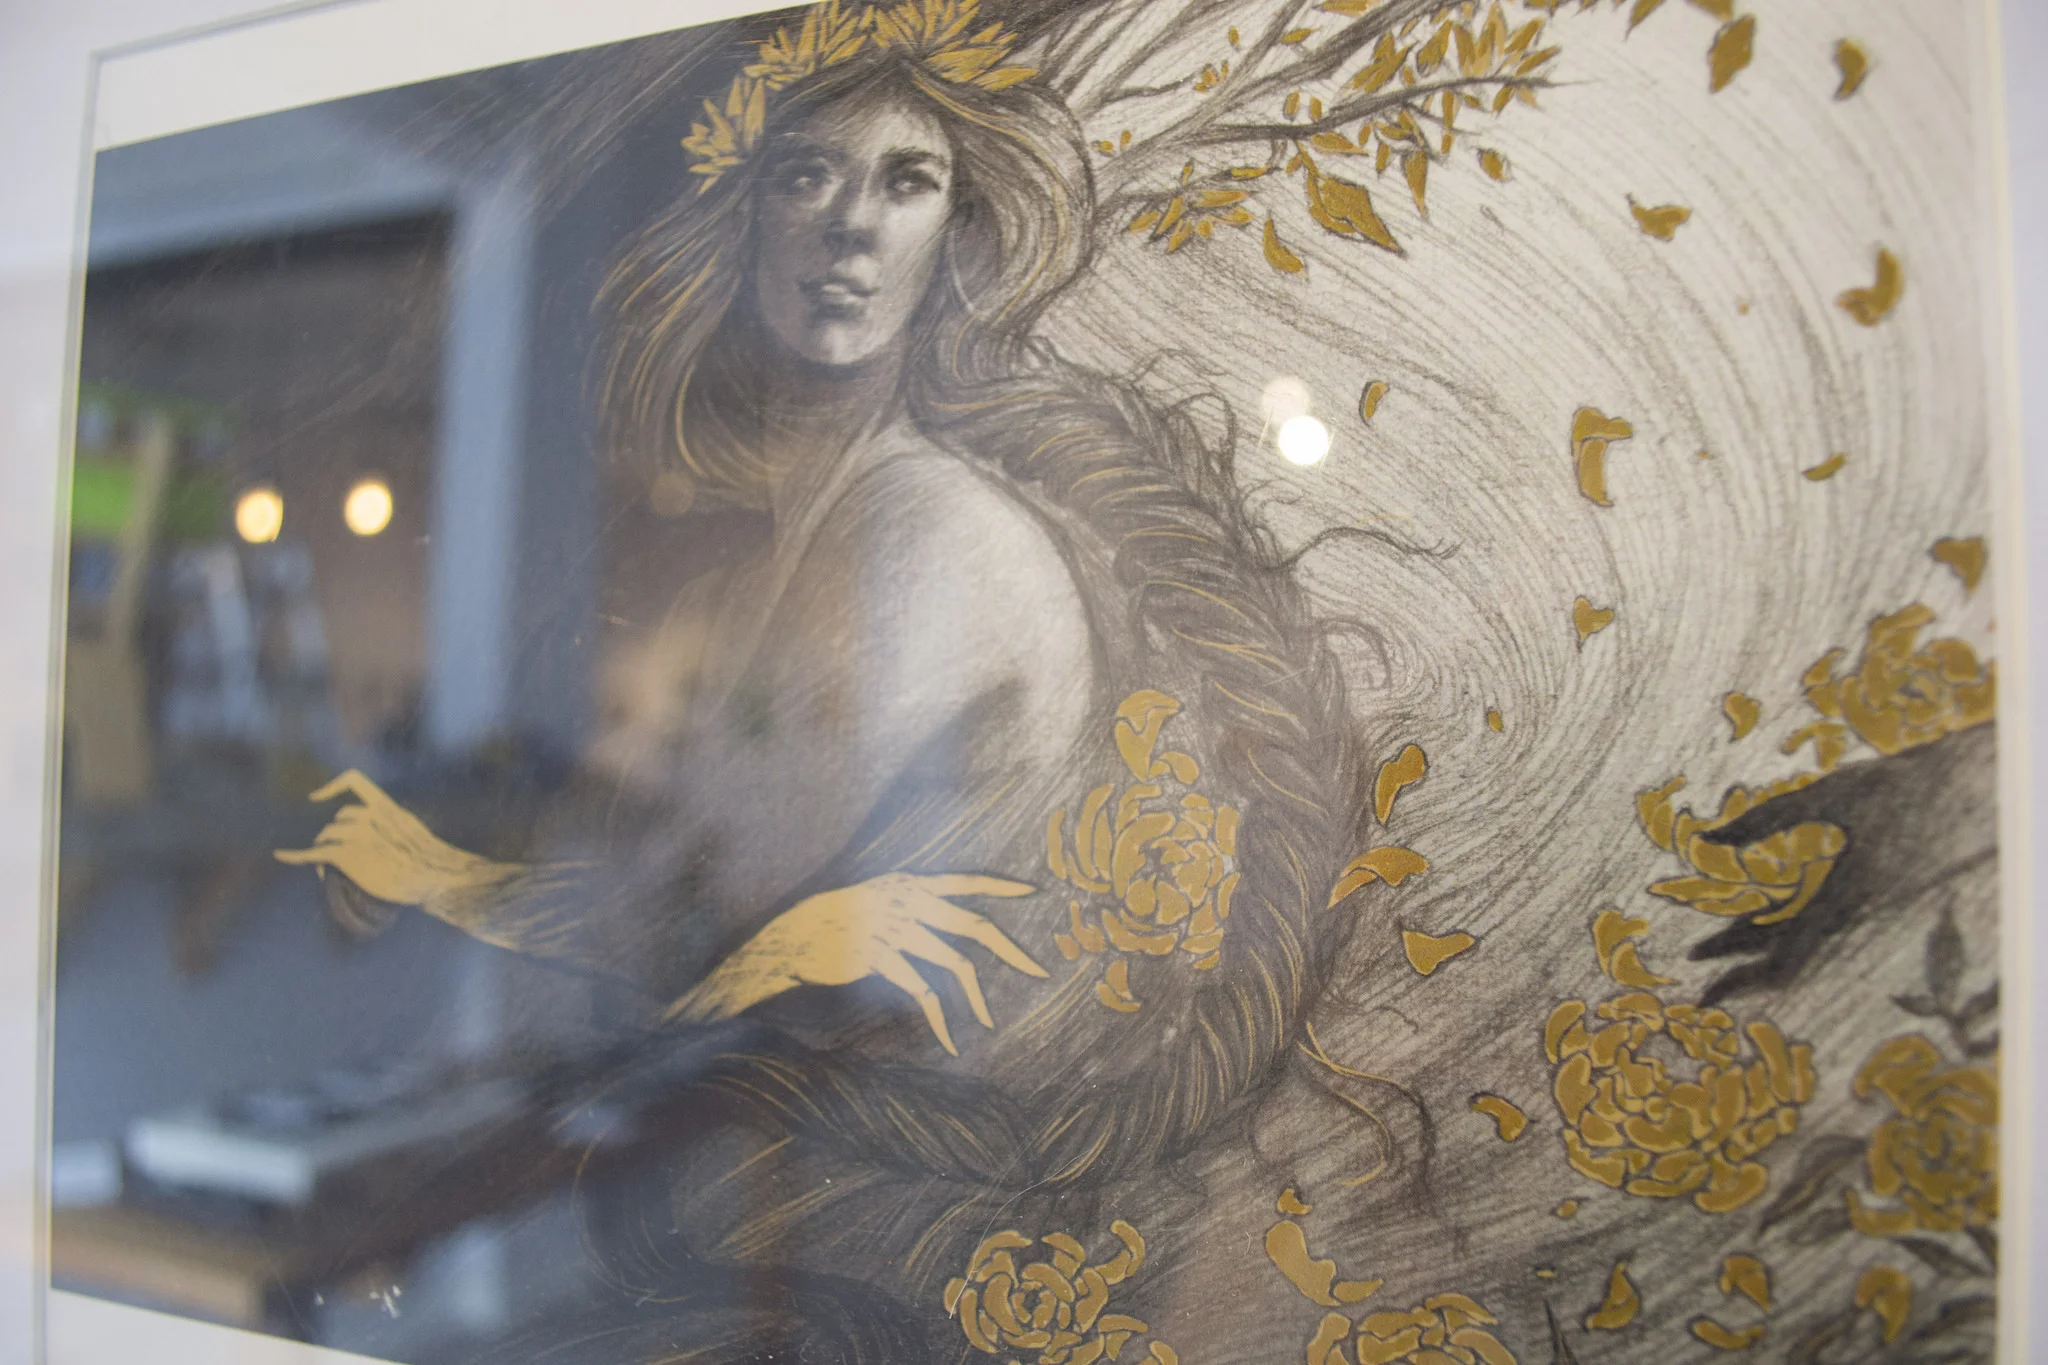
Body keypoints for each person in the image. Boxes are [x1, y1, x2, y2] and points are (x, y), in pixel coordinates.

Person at [278, 2, 1369, 1353]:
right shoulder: (772, 562)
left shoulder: (932, 535)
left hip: (912, 1209)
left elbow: (691, 953)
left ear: (956, 235)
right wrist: (455, 876)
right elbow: (680, 911)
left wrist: (457, 887)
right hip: (776, 1170)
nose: (850, 227)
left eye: (907, 182)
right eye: (806, 175)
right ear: (747, 221)